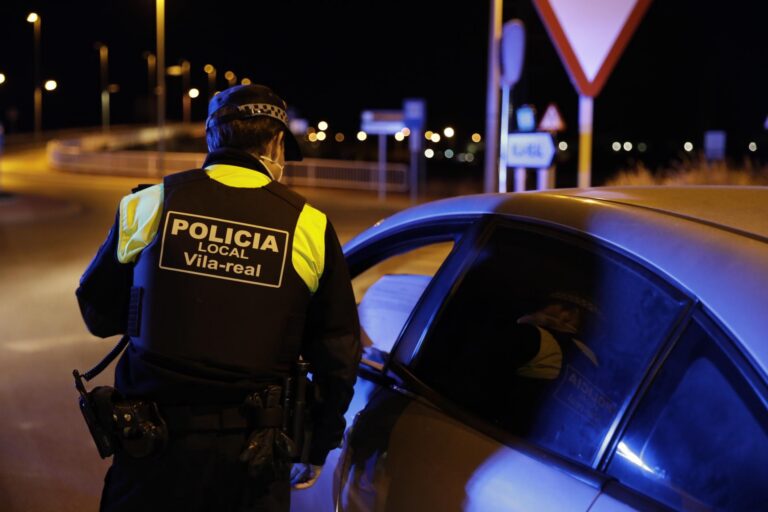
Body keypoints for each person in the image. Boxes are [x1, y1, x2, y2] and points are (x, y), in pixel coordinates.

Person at [76, 84, 362, 511]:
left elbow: (98, 314)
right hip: (252, 462)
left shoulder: (149, 203)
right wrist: (315, 446)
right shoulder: (309, 225)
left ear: (212, 139)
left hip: (150, 450)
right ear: (276, 143)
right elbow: (337, 359)